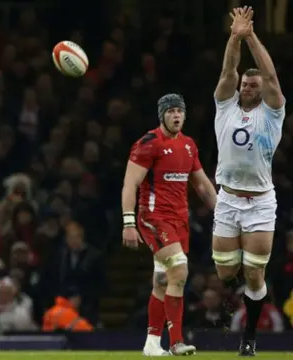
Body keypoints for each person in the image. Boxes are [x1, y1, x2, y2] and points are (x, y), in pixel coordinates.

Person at [211, 6, 286, 356]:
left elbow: (271, 79)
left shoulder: (272, 115)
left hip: (258, 201)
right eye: (245, 83)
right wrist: (234, 35)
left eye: (253, 85)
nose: (247, 87)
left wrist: (252, 35)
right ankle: (238, 275)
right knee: (226, 273)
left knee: (255, 277)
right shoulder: (225, 107)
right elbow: (228, 69)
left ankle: (249, 337)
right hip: (227, 199)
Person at [121, 94, 217, 356]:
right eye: (171, 111)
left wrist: (221, 214)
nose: (176, 116)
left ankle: (152, 344)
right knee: (180, 271)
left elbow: (202, 185)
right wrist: (128, 222)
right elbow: (130, 184)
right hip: (153, 217)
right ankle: (176, 342)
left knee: (162, 281)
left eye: (180, 111)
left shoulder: (188, 146)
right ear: (162, 115)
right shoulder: (148, 143)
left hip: (179, 221)